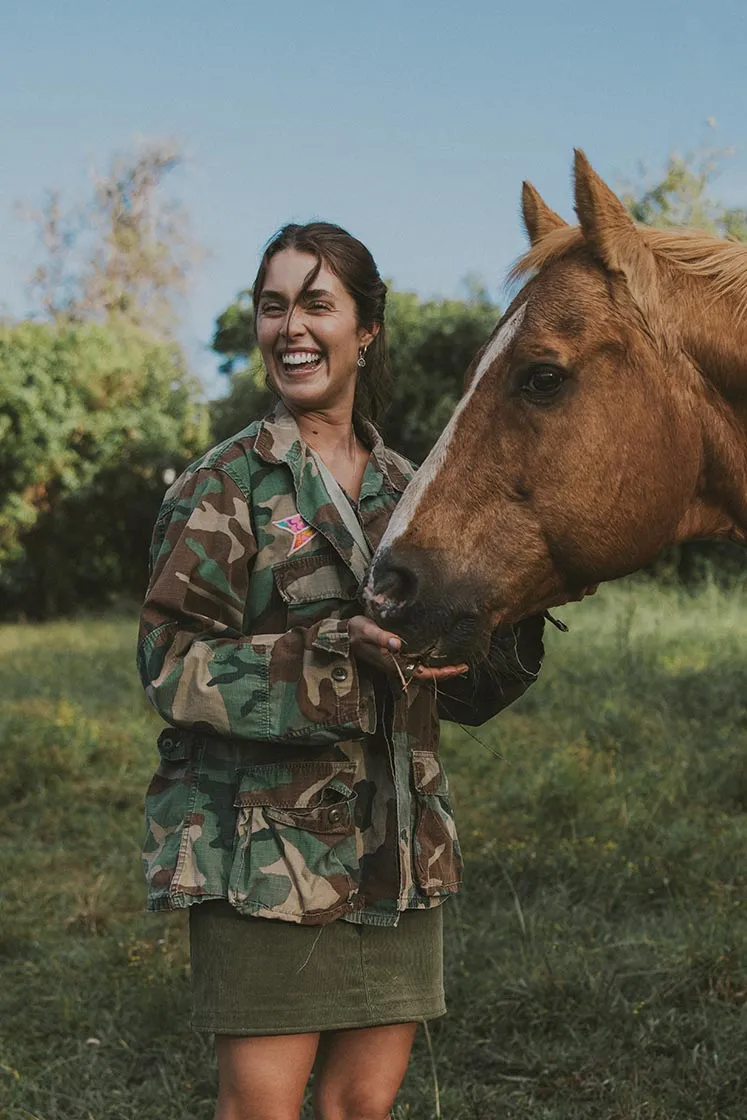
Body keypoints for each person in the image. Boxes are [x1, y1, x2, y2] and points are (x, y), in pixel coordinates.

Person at [137, 222, 545, 1120]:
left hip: (395, 853)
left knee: (362, 1110)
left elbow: (465, 690)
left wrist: (525, 610)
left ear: (365, 332)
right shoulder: (225, 486)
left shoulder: (417, 491)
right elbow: (169, 662)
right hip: (266, 864)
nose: (292, 327)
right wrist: (330, 660)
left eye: (317, 304)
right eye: (273, 305)